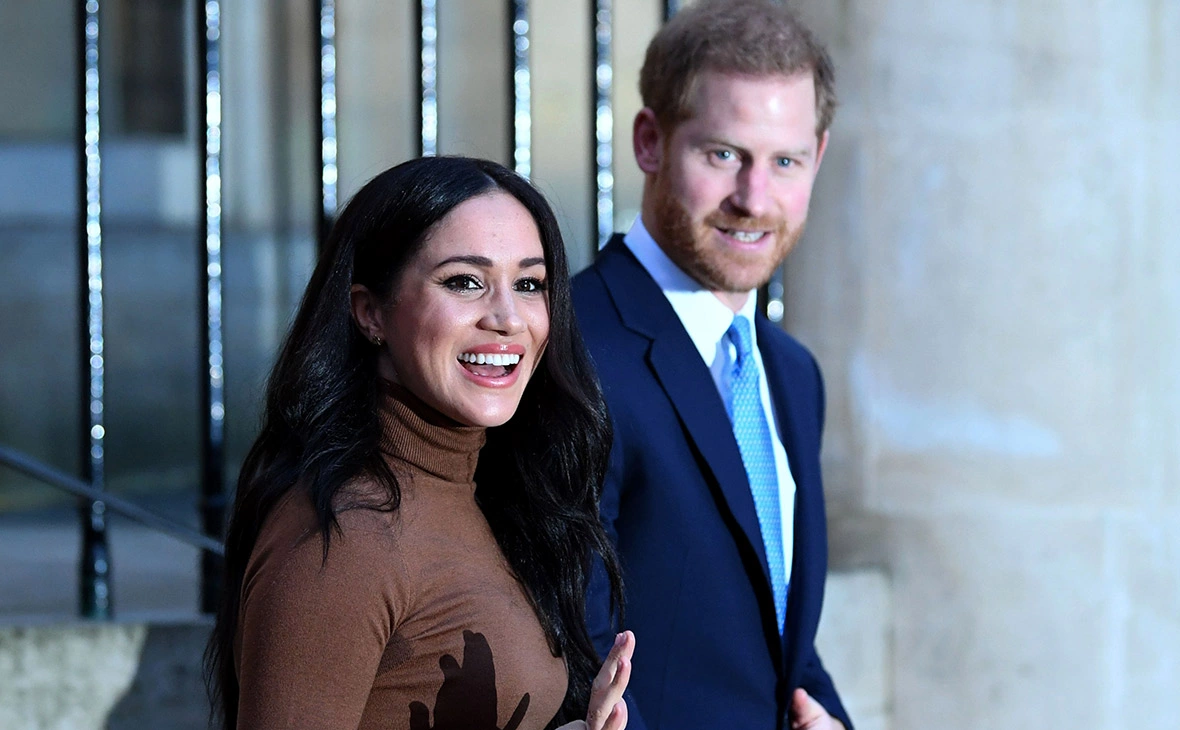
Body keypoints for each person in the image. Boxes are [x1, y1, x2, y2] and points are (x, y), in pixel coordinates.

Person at [205, 156, 635, 730]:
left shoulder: (490, 493)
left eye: (529, 284)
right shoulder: (345, 535)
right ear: (370, 313)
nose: (508, 318)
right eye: (464, 282)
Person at [573, 2, 851, 729]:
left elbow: (776, 640)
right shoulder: (572, 348)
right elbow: (572, 649)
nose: (754, 199)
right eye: (724, 154)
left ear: (818, 157)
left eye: (785, 161)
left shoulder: (792, 374)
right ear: (650, 141)